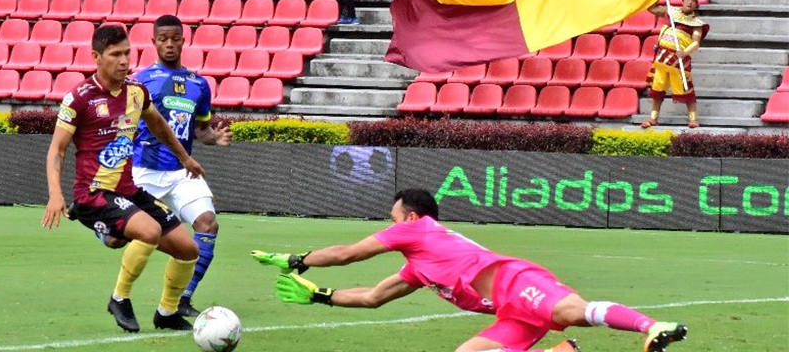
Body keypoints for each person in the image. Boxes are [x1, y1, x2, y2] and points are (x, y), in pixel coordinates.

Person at [252, 189, 688, 352]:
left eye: (393, 214)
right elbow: (371, 297)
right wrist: (318, 295)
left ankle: (652, 327)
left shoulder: (417, 229)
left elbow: (348, 254)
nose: (391, 221)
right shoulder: (420, 267)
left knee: (571, 312)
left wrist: (298, 259)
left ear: (411, 215)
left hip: (516, 281)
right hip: (510, 312)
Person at [42, 25, 203, 333]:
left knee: (188, 249)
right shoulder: (78, 98)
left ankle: (167, 313)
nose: (124, 61)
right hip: (94, 192)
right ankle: (119, 298)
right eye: (115, 55)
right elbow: (57, 151)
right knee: (150, 231)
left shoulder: (136, 91)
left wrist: (185, 158)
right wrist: (54, 193)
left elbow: (159, 126)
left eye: (127, 53)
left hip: (128, 190)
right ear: (96, 57)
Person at [132, 14, 232, 317]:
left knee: (208, 223)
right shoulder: (140, 81)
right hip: (145, 170)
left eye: (175, 38)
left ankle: (183, 297)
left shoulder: (199, 84)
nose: (170, 44)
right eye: (163, 39)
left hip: (181, 172)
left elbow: (199, 129)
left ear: (183, 40)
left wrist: (213, 138)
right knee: (117, 237)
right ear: (153, 42)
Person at [642, 0, 710, 129]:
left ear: (696, 3)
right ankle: (653, 117)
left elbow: (696, 42)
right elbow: (651, 9)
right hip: (662, 57)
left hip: (679, 60)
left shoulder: (697, 23)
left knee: (686, 88)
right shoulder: (670, 11)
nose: (690, 3)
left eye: (693, 0)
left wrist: (685, 52)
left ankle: (693, 118)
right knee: (657, 88)